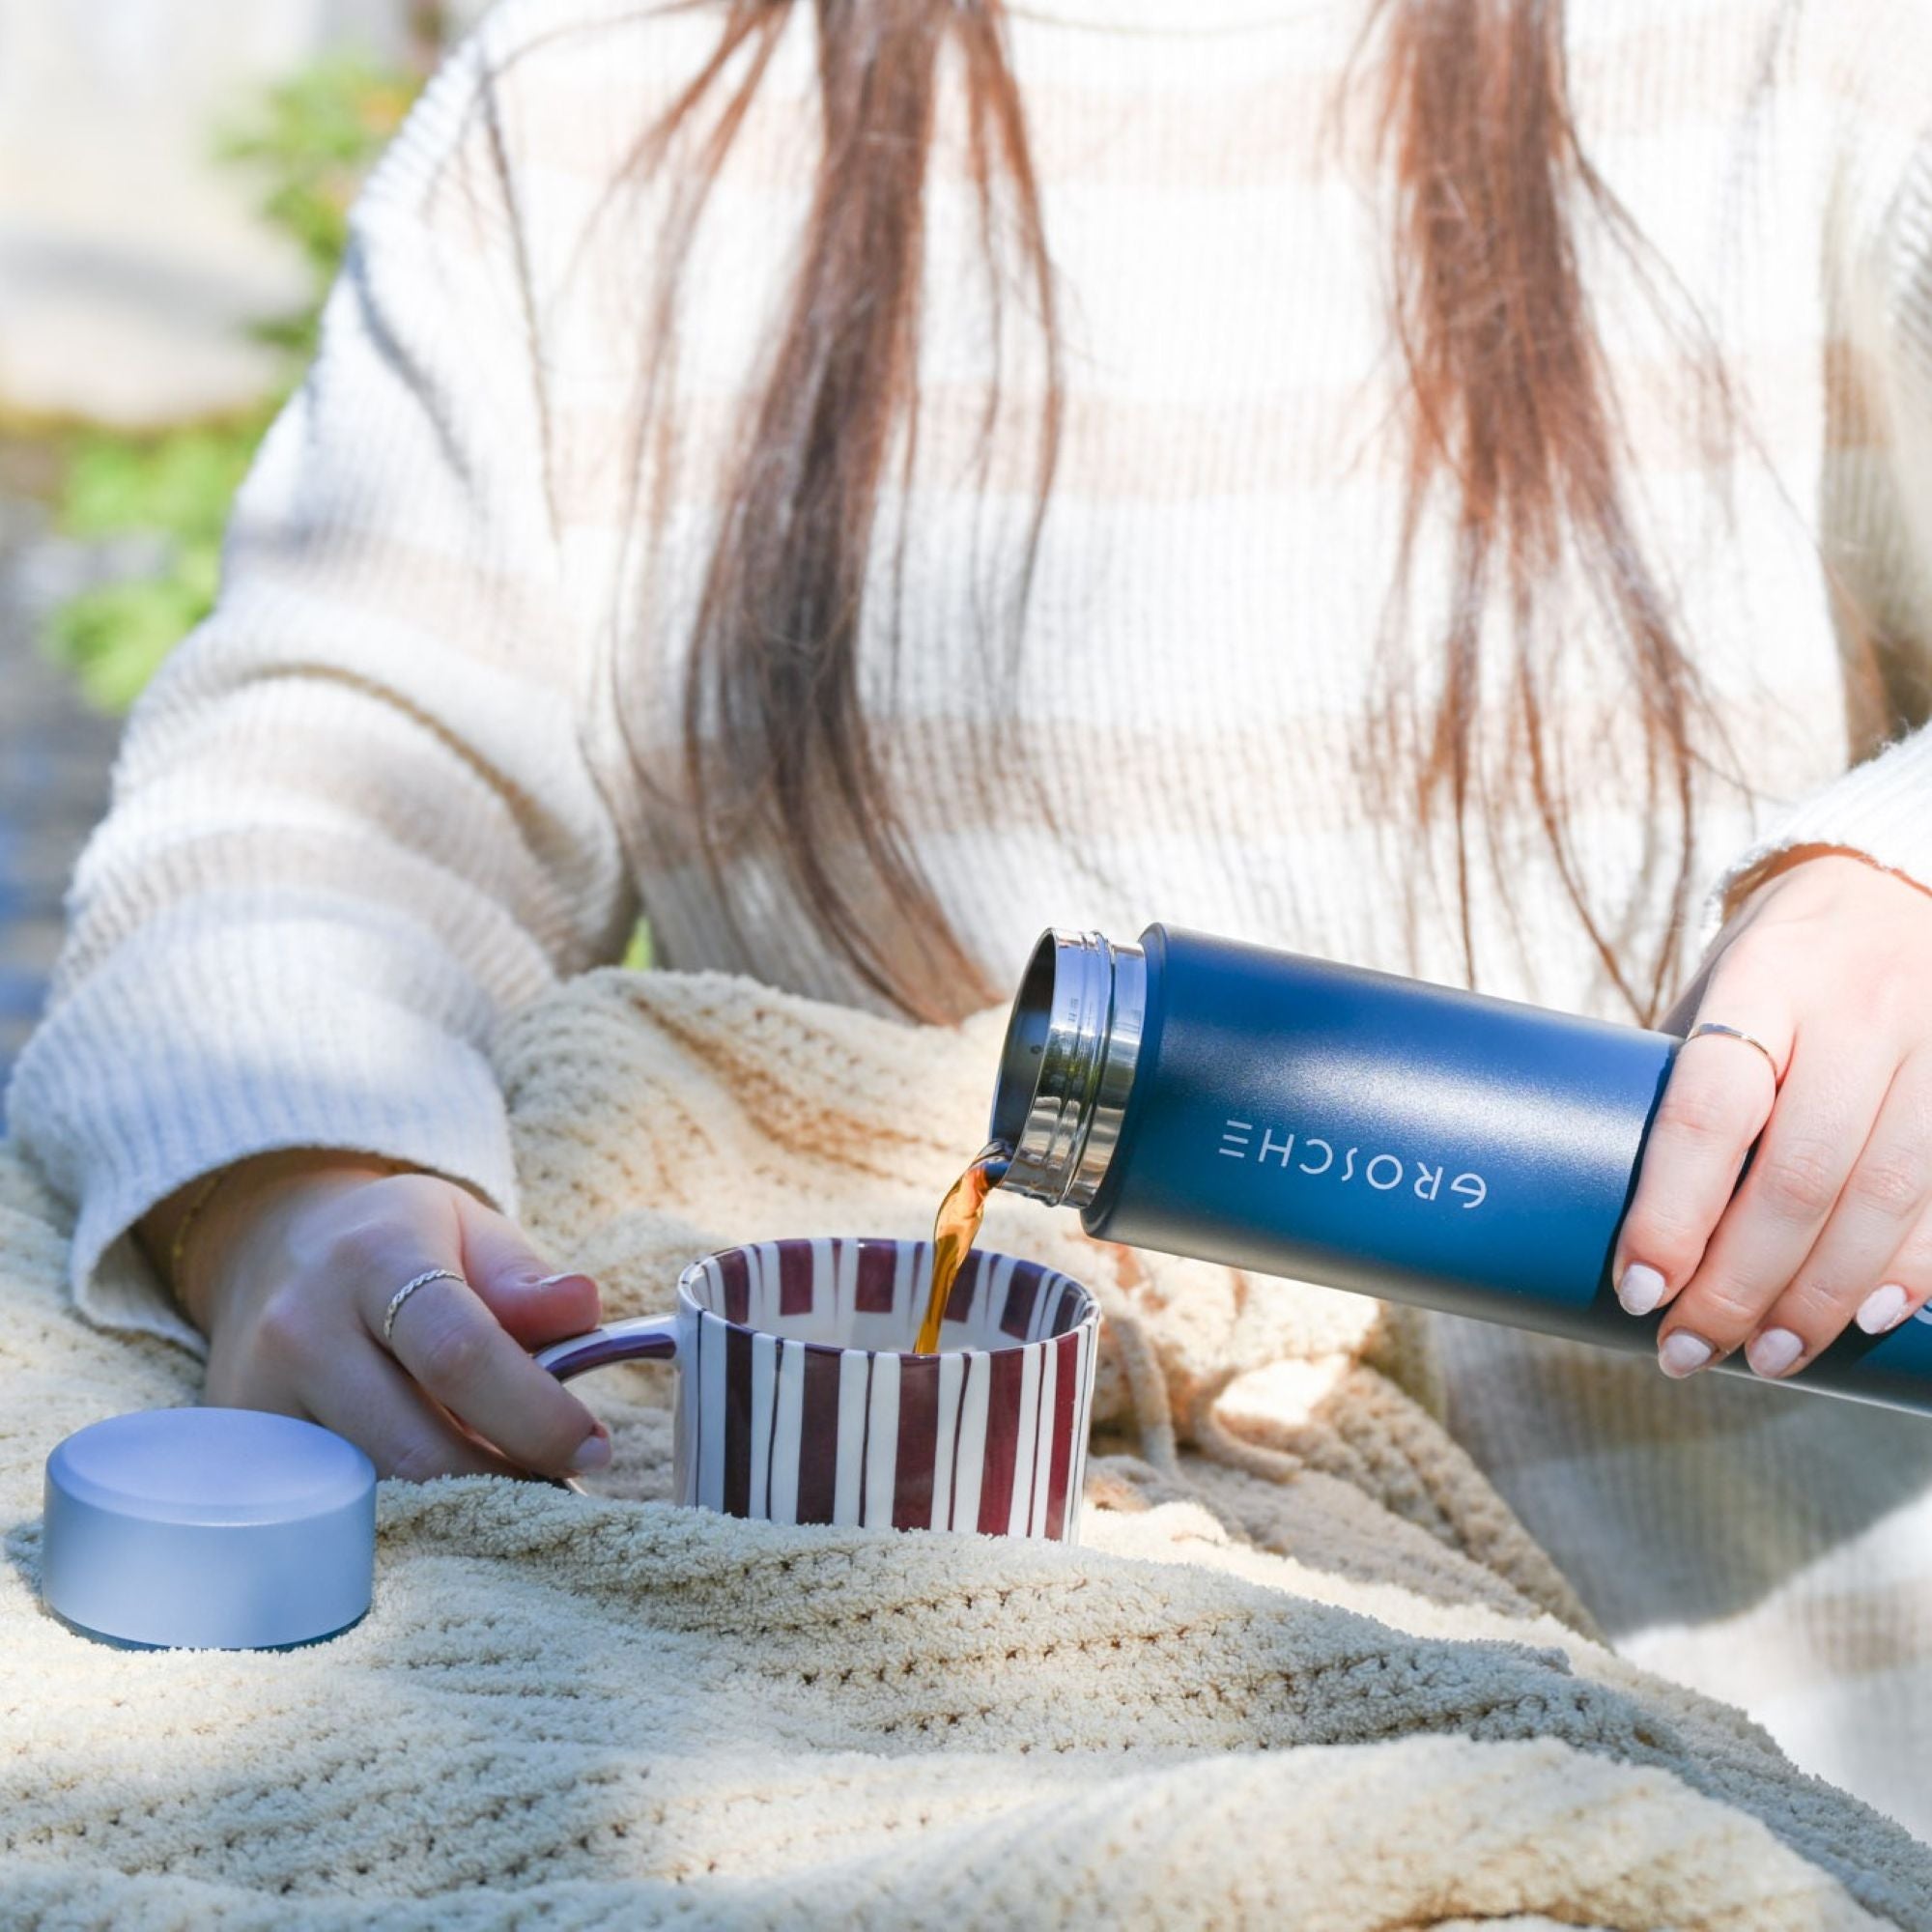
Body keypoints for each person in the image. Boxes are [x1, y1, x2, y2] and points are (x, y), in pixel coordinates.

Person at [13, 0, 1932, 1830]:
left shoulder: (1822, 62)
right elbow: (317, 792)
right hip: (971, 1739)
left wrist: (1895, 883)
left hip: (1797, 1750)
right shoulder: (607, 97)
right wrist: (296, 1188)